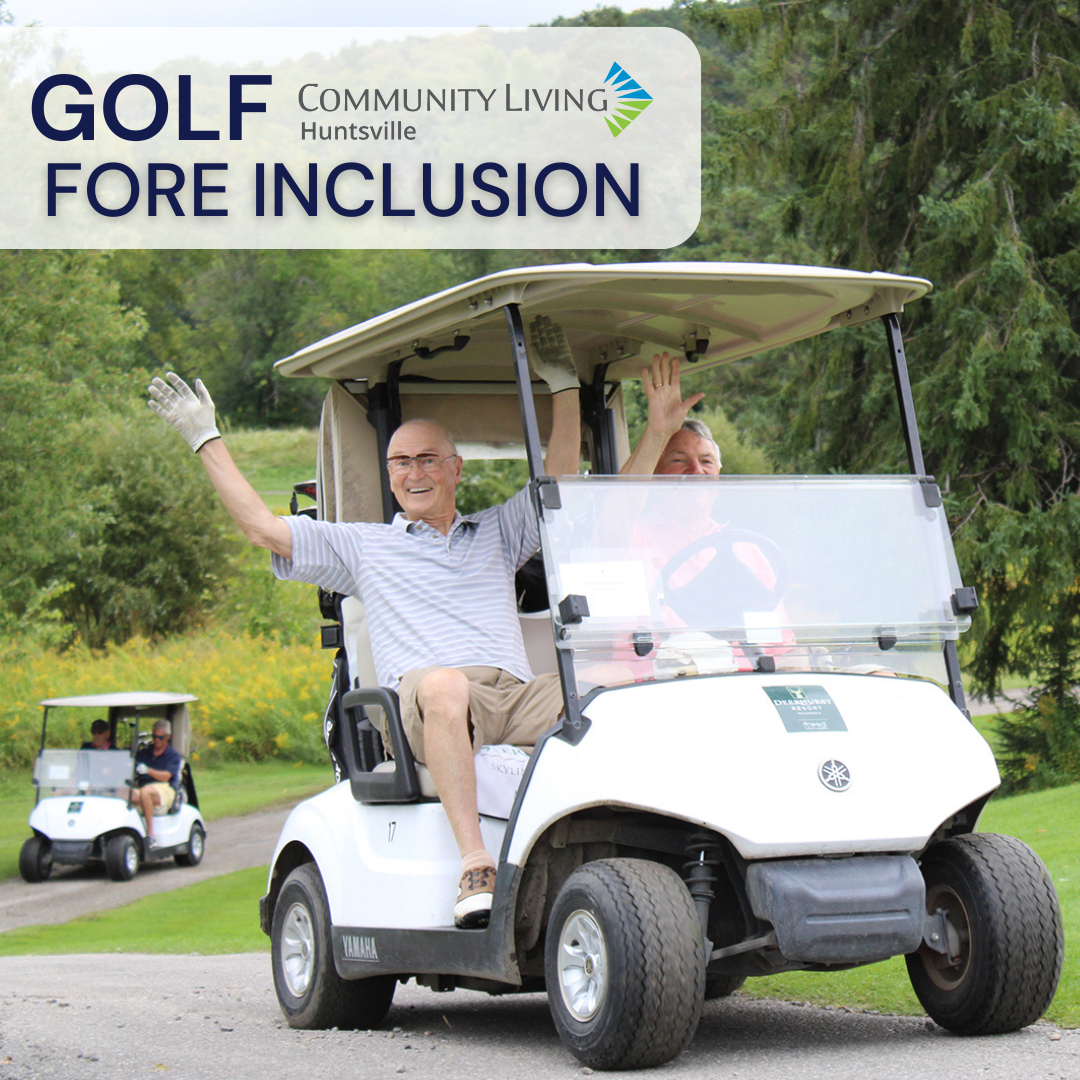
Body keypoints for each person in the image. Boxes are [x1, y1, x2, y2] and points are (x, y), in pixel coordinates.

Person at [148, 317, 581, 928]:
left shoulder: (497, 532)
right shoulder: (365, 546)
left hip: (511, 696)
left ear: (456, 469)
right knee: (444, 685)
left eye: (427, 460)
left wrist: (564, 388)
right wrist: (205, 439)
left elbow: (558, 486)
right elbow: (262, 529)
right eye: (400, 462)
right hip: (426, 702)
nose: (413, 473)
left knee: (610, 688)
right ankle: (475, 864)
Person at [130, 720, 183, 845]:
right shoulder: (145, 753)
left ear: (168, 737)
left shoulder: (172, 755)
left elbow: (166, 776)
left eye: (160, 737)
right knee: (124, 794)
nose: (157, 740)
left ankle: (150, 834)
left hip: (165, 788)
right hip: (145, 787)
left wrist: (148, 771)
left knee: (145, 792)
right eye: (154, 737)